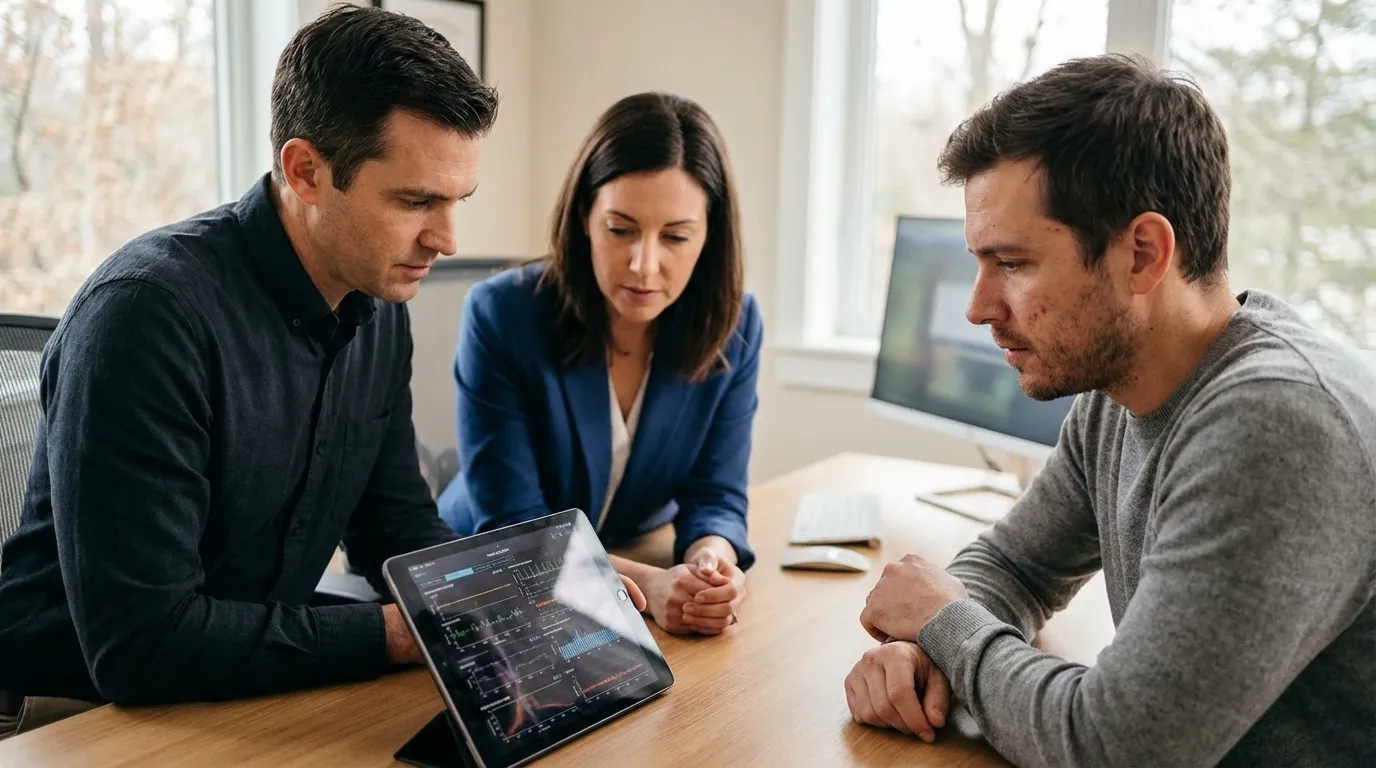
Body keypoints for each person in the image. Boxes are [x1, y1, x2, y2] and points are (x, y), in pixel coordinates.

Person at [0, 5, 612, 736]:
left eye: (456, 202)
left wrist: (520, 588)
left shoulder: (379, 309)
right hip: (71, 716)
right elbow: (142, 645)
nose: (447, 239)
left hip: (235, 685)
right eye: (416, 201)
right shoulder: (145, 317)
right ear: (305, 171)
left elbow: (395, 525)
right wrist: (402, 631)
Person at [846, 53, 1375, 767]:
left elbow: (1116, 747)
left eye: (1013, 263)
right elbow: (1015, 565)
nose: (977, 308)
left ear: (1143, 254)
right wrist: (923, 647)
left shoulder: (1279, 423)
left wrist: (943, 624)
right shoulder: (1120, 394)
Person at [436, 92, 761, 637]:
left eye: (676, 237)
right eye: (620, 229)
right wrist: (645, 584)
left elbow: (717, 495)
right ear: (585, 216)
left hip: (617, 562)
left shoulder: (735, 324)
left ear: (710, 236)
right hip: (488, 583)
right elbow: (517, 527)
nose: (643, 264)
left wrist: (712, 559)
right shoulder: (502, 314)